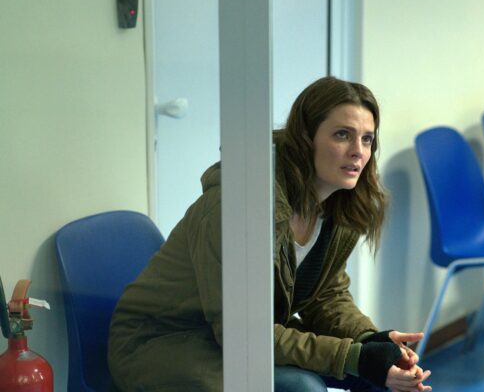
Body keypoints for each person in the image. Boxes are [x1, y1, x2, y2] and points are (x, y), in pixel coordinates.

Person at [108, 76, 432, 392]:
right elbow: (242, 333)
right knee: (305, 387)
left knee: (379, 377)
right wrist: (353, 356)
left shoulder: (336, 207)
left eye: (367, 139)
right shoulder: (238, 207)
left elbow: (327, 295)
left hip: (236, 335)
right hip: (162, 343)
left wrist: (369, 341)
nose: (358, 151)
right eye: (342, 135)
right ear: (306, 139)